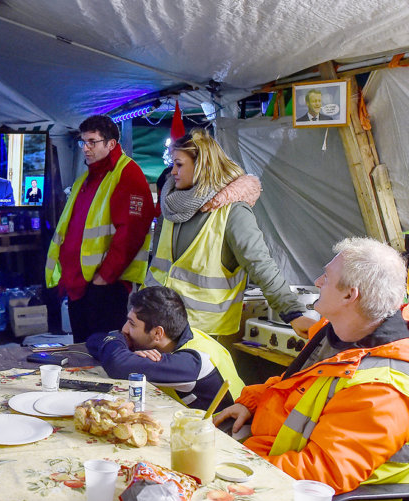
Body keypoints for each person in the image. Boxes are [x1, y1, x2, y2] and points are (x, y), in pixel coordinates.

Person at [214, 237, 409, 501]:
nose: (318, 281)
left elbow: (320, 474)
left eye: (327, 277)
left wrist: (237, 469)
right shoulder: (339, 333)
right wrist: (250, 401)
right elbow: (291, 384)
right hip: (268, 464)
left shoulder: (382, 389)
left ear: (349, 296)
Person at [145, 130, 314, 337]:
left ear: (201, 166)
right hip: (158, 323)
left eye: (179, 164)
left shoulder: (233, 212)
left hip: (202, 331)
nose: (172, 172)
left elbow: (260, 264)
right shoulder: (171, 205)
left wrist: (293, 313)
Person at [46, 115, 155, 343]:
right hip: (80, 284)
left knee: (102, 355)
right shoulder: (86, 178)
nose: (85, 148)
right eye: (83, 142)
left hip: (105, 286)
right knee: (81, 352)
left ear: (111, 144)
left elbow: (131, 233)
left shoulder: (127, 174)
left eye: (92, 142)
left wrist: (105, 276)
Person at [87, 287, 243, 412]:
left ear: (157, 333)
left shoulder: (191, 362)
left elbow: (118, 365)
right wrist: (119, 341)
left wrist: (123, 351)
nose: (125, 329)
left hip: (229, 436)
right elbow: (95, 341)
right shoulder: (176, 336)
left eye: (132, 324)